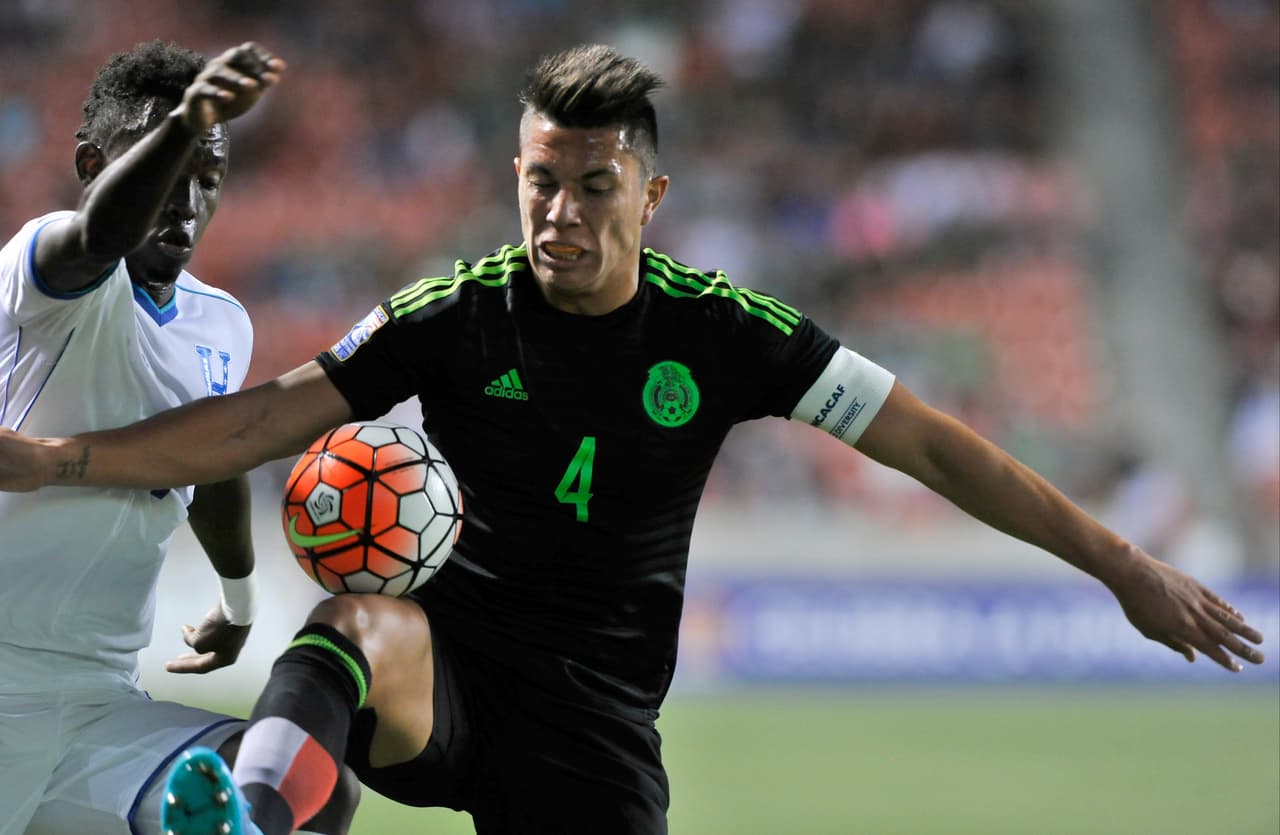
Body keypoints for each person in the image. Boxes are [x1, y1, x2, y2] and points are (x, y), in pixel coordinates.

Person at [0, 43, 1265, 835]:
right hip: (443, 675)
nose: (556, 212)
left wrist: (1122, 567)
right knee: (348, 622)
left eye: (589, 184)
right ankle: (257, 820)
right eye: (538, 179)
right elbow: (259, 423)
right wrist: (59, 463)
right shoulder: (451, 311)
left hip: (594, 724)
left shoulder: (729, 333)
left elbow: (933, 446)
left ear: (647, 195)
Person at [0, 40, 357, 835]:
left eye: (208, 175)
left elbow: (212, 457)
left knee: (309, 789)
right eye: (169, 168)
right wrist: (190, 121)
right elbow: (98, 238)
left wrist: (238, 598)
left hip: (99, 707)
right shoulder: (47, 270)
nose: (187, 201)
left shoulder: (222, 323)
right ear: (95, 162)